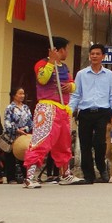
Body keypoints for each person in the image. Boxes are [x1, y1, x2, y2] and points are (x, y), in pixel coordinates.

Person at [23, 37, 79, 188]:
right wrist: (50, 62)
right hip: (47, 108)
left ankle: (65, 174)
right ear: (59, 50)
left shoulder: (64, 67)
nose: (67, 52)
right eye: (66, 49)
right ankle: (29, 176)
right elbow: (42, 79)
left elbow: (73, 84)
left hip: (62, 108)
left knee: (64, 143)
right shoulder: (42, 64)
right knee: (41, 140)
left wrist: (70, 87)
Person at [70, 43, 112, 185]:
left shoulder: (109, 75)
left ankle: (102, 168)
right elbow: (76, 94)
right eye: (92, 54)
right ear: (89, 56)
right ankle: (89, 175)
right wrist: (69, 109)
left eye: (98, 54)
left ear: (103, 56)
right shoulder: (81, 74)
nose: (95, 56)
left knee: (99, 143)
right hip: (85, 112)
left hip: (102, 113)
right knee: (84, 144)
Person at [3, 88, 33, 184]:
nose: (22, 96)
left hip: (23, 136)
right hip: (13, 135)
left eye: (23, 94)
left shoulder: (26, 108)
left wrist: (25, 129)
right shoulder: (10, 108)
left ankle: (25, 177)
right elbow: (7, 122)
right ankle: (11, 177)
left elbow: (30, 122)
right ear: (14, 95)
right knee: (11, 157)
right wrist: (16, 130)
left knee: (23, 155)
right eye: (20, 94)